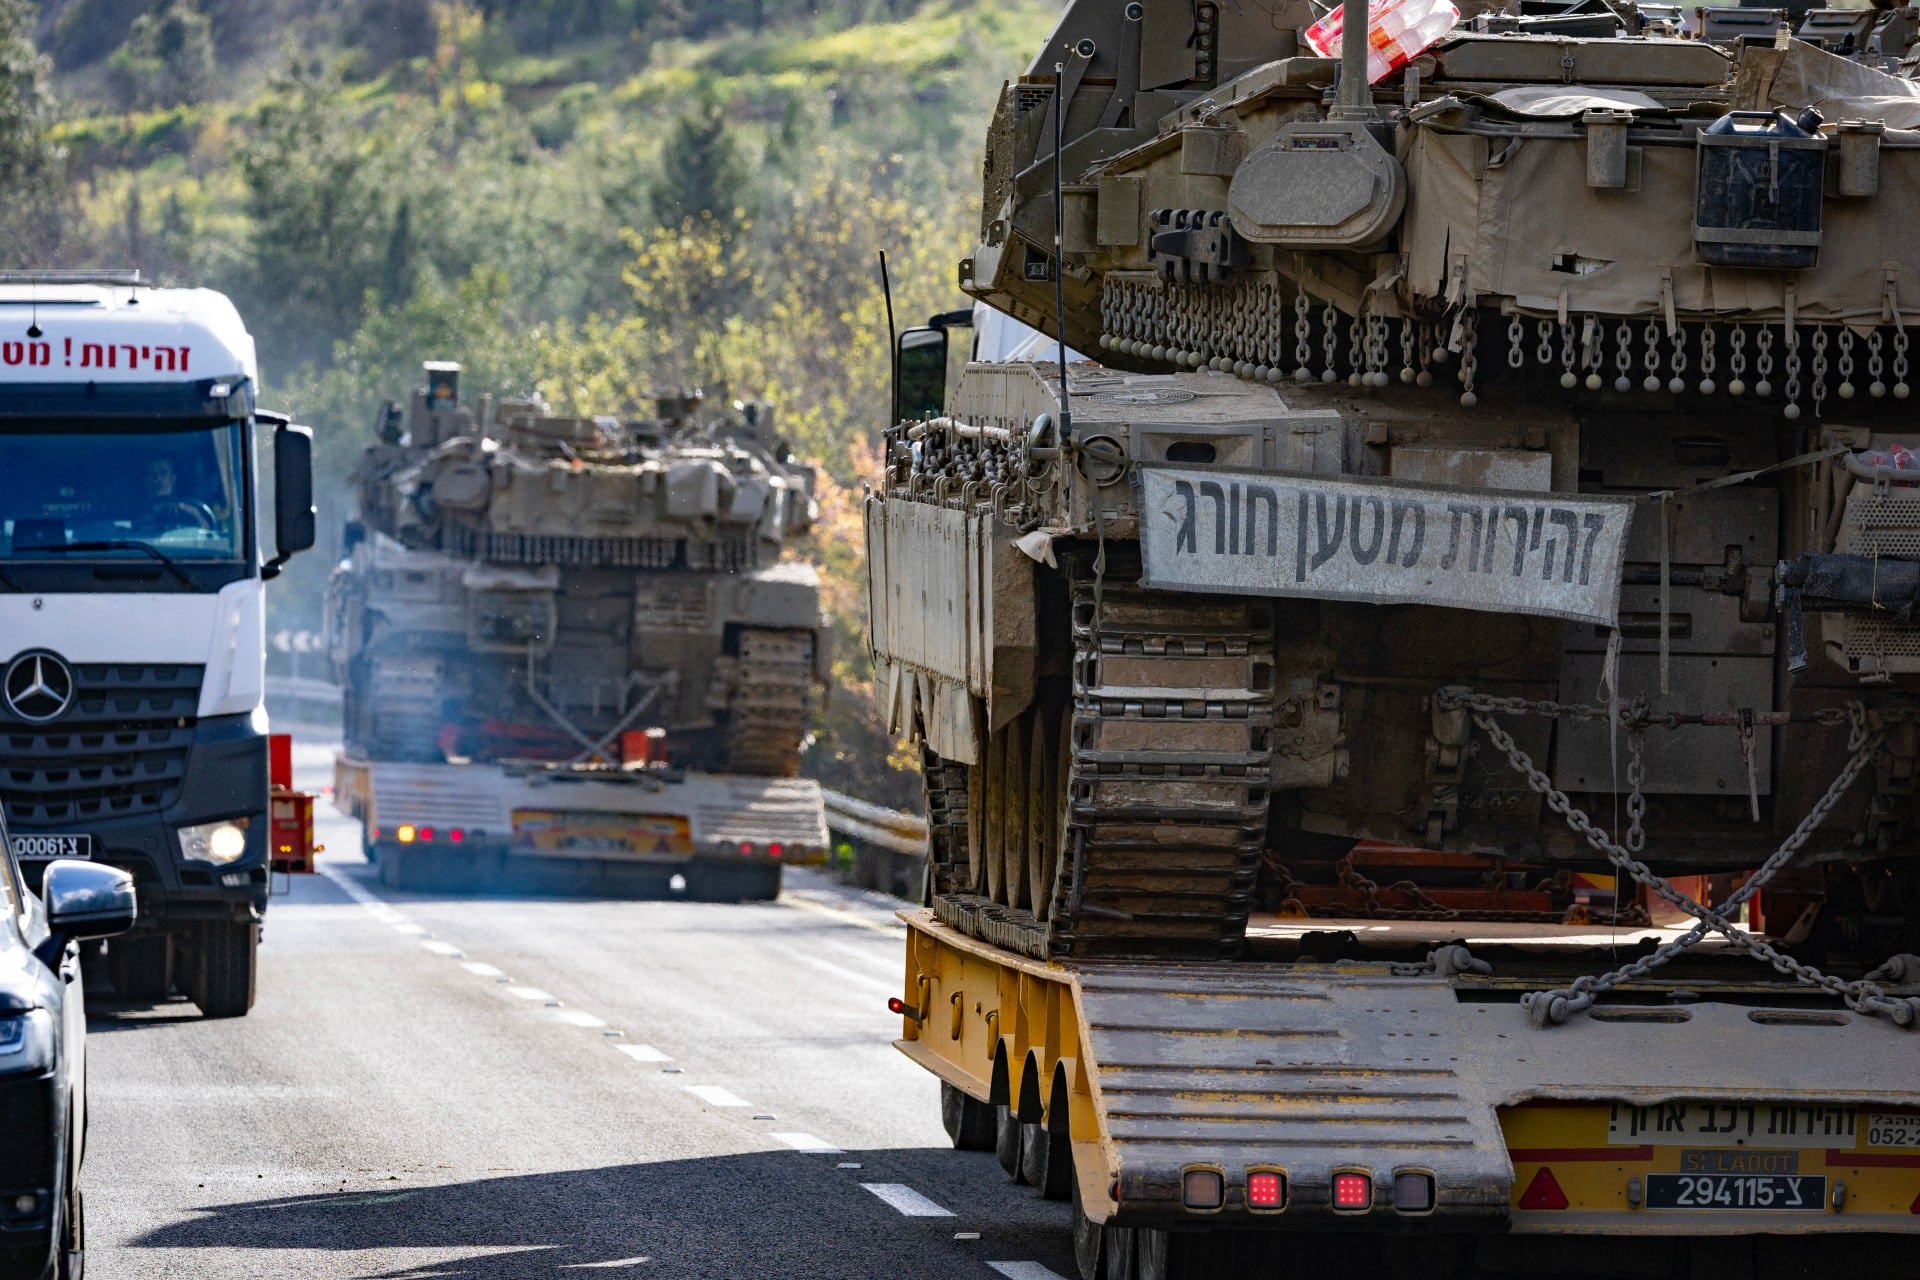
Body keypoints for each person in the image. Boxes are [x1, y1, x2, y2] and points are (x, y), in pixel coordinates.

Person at [131, 457, 213, 534]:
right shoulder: (132, 513)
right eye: (151, 474)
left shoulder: (187, 512)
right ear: (144, 481)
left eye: (163, 473)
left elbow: (206, 536)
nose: (157, 478)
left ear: (173, 479)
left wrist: (195, 514)